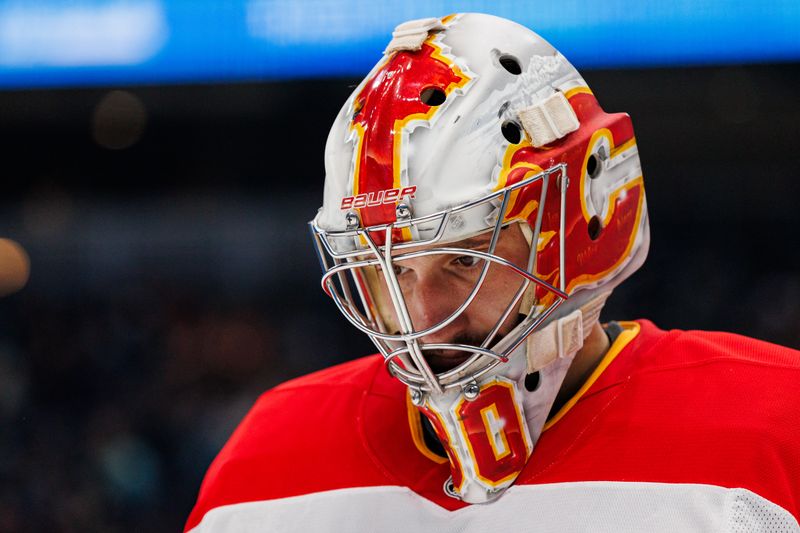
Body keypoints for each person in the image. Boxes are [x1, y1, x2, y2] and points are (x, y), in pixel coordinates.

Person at [185, 13, 800, 532]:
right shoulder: (263, 465)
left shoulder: (774, 424)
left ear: (583, 227)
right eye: (388, 270)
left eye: (461, 260)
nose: (422, 321)